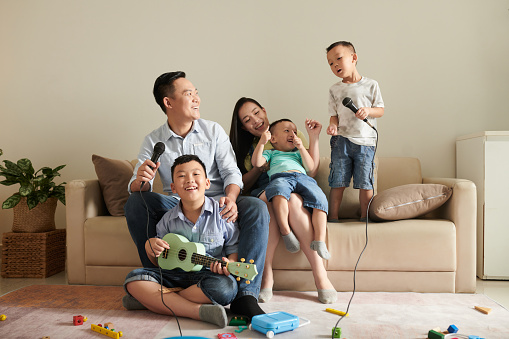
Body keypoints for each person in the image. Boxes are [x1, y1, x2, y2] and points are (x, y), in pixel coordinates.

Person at [123, 71, 269, 319]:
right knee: (136, 201)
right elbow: (136, 185)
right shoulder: (153, 140)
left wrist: (231, 199)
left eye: (196, 93)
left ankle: (245, 295)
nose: (196, 99)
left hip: (220, 200)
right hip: (179, 202)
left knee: (256, 207)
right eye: (188, 94)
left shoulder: (213, 131)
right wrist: (140, 181)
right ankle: (159, 273)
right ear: (168, 103)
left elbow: (232, 173)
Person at [230, 97, 337, 304]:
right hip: (263, 188)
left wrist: (313, 138)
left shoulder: (290, 135)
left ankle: (320, 275)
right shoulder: (247, 149)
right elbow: (242, 183)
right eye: (247, 119)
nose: (255, 120)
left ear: (264, 110)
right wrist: (260, 166)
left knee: (294, 202)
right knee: (267, 203)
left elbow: (311, 171)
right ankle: (266, 276)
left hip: (295, 186)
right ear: (243, 127)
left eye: (256, 112)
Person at [124, 155, 239, 328]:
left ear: (207, 183)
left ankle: (152, 301)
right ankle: (197, 311)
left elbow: (233, 249)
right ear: (173, 188)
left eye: (195, 174)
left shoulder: (222, 213)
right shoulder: (167, 220)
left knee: (227, 288)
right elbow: (160, 261)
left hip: (207, 277)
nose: (189, 180)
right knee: (133, 279)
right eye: (181, 176)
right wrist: (150, 247)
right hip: (174, 276)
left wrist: (229, 264)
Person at [251, 118, 330, 260]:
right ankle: (285, 231)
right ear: (273, 139)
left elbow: (311, 167)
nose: (292, 134)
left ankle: (319, 240)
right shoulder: (271, 154)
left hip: (303, 178)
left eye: (294, 131)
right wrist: (262, 143)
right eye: (287, 130)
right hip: (281, 177)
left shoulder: (298, 153)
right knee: (278, 194)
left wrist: (301, 148)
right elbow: (256, 162)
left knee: (320, 199)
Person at [325, 41, 384, 221]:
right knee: (338, 182)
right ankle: (332, 218)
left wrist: (368, 110)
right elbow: (334, 115)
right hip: (341, 141)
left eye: (338, 59)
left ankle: (365, 219)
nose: (335, 65)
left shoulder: (371, 85)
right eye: (330, 63)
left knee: (365, 184)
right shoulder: (334, 89)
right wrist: (333, 125)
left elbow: (380, 110)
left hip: (365, 143)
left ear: (354, 58)